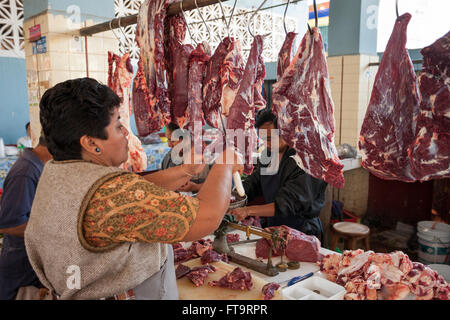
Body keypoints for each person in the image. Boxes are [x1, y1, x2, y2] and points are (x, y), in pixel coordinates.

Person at [24, 78, 242, 300]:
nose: (126, 134)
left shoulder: (59, 172)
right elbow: (207, 217)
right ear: (90, 143)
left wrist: (185, 171)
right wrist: (225, 164)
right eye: (118, 126)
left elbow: (133, 192)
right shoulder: (110, 194)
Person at [229, 109, 327, 240]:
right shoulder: (268, 155)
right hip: (274, 229)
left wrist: (248, 210)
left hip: (302, 232)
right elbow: (253, 184)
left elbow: (288, 203)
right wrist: (230, 196)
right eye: (263, 139)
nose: (267, 144)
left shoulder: (306, 160)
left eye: (270, 139)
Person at [0, 134, 52, 300]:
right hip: (20, 265)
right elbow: (8, 224)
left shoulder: (39, 166)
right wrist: (53, 230)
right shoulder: (26, 172)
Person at [162, 122, 211, 194]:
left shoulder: (208, 156)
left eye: (172, 141)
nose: (169, 145)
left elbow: (222, 186)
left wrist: (195, 187)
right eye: (168, 140)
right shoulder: (169, 157)